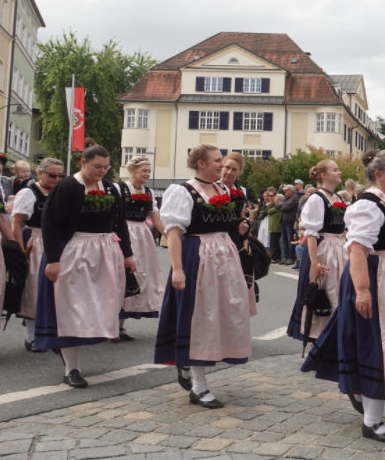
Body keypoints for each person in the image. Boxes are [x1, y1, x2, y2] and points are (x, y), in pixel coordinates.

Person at [301, 150, 385, 444]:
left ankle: (362, 395)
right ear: (379, 174)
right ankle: (371, 420)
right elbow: (357, 250)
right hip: (380, 281)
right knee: (380, 346)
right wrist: (362, 291)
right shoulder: (368, 205)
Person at [155, 144, 255, 409]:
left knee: (220, 314)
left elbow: (222, 223)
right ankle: (199, 388)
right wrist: (177, 268)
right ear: (201, 163)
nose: (222, 165)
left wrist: (237, 226)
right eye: (217, 160)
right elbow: (173, 233)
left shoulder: (223, 189)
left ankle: (186, 363)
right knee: (201, 318)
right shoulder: (182, 191)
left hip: (224, 256)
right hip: (197, 256)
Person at [35, 139, 133, 388]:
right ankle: (72, 368)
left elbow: (120, 222)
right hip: (73, 252)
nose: (102, 171)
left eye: (106, 167)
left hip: (103, 253)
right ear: (83, 162)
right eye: (97, 166)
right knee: (72, 310)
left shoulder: (110, 188)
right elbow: (50, 224)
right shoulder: (67, 187)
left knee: (96, 307)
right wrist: (53, 260)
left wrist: (127, 254)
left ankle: (68, 353)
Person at [288, 159, 350, 344]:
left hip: (339, 248)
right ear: (324, 175)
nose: (339, 172)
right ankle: (321, 338)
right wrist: (314, 264)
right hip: (324, 250)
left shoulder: (338, 197)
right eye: (335, 170)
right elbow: (312, 233)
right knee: (326, 292)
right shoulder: (316, 198)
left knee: (339, 292)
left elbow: (344, 228)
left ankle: (336, 337)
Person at [12, 157, 63, 352]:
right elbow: (16, 223)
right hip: (36, 240)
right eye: (52, 175)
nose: (56, 179)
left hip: (59, 243)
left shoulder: (62, 192)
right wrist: (20, 252)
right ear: (40, 173)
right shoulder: (29, 192)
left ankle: (53, 334)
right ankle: (32, 336)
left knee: (58, 289)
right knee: (34, 288)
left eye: (60, 176)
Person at [115, 156, 166, 341]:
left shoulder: (149, 192)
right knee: (120, 276)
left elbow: (156, 219)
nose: (147, 174)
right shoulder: (119, 188)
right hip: (122, 232)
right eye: (144, 170)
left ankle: (120, 326)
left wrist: (171, 237)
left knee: (138, 276)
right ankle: (112, 324)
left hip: (142, 235)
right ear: (132, 171)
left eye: (149, 171)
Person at [273, 186, 300, 267]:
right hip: (284, 220)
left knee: (290, 239)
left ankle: (290, 257)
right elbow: (276, 205)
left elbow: (284, 207)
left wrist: (281, 204)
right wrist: (282, 204)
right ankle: (285, 256)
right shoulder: (285, 197)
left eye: (286, 191)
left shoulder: (294, 198)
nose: (285, 192)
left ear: (291, 191)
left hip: (290, 221)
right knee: (284, 240)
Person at [267, 195, 283, 264]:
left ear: (279, 199)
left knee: (274, 243)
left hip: (275, 227)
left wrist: (270, 207)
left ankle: (275, 257)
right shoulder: (276, 206)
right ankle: (278, 257)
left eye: (276, 198)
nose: (274, 199)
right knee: (276, 243)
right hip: (274, 227)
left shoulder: (278, 207)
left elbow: (269, 211)